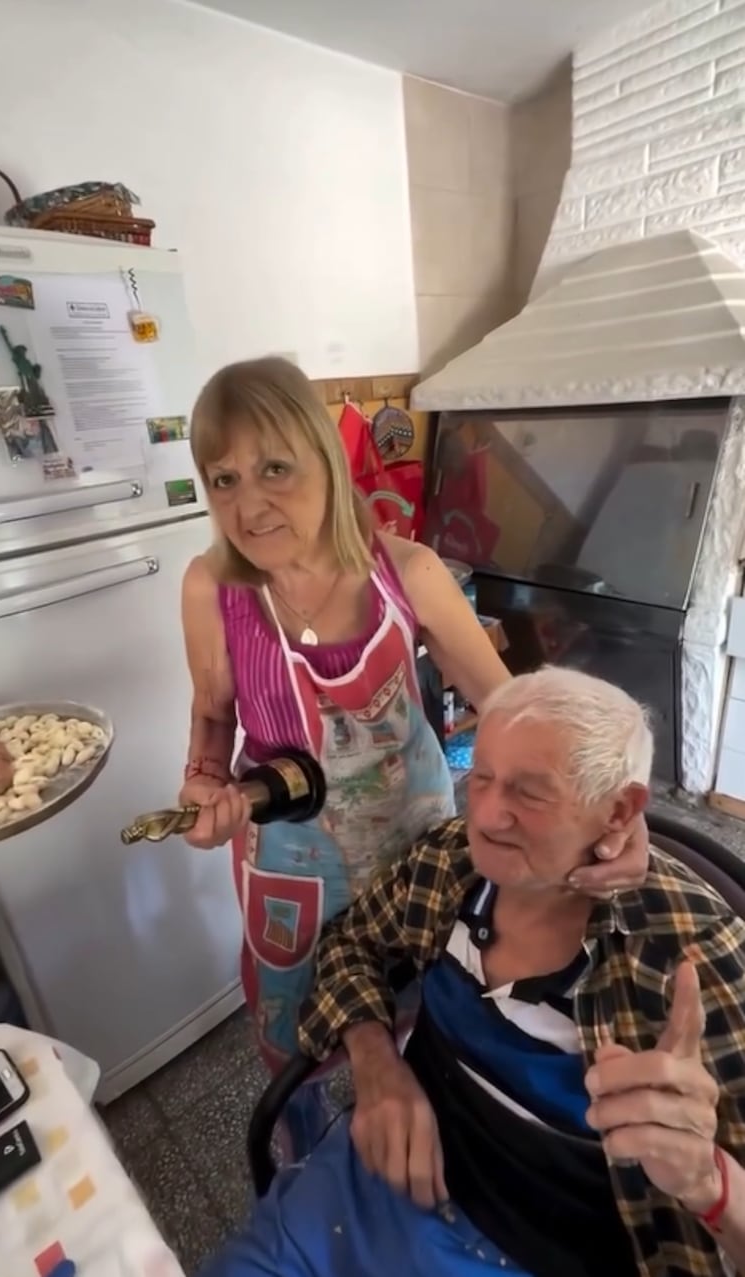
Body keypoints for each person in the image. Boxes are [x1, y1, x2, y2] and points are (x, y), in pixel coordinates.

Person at [180, 357, 649, 1154]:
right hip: (292, 864)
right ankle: (303, 1159)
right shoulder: (209, 588)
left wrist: (615, 804)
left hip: (420, 848)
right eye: (222, 479)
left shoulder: (409, 573)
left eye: (273, 469)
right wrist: (202, 791)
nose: (248, 504)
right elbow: (210, 719)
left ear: (322, 459)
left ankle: (427, 1124)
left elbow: (518, 709)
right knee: (299, 1031)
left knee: (432, 1006)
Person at [207, 667, 745, 1277]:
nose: (486, 816)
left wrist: (710, 1183)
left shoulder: (693, 959)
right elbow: (350, 945)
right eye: (482, 777)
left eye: (530, 793)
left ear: (620, 810)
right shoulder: (449, 862)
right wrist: (376, 1062)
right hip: (374, 1178)